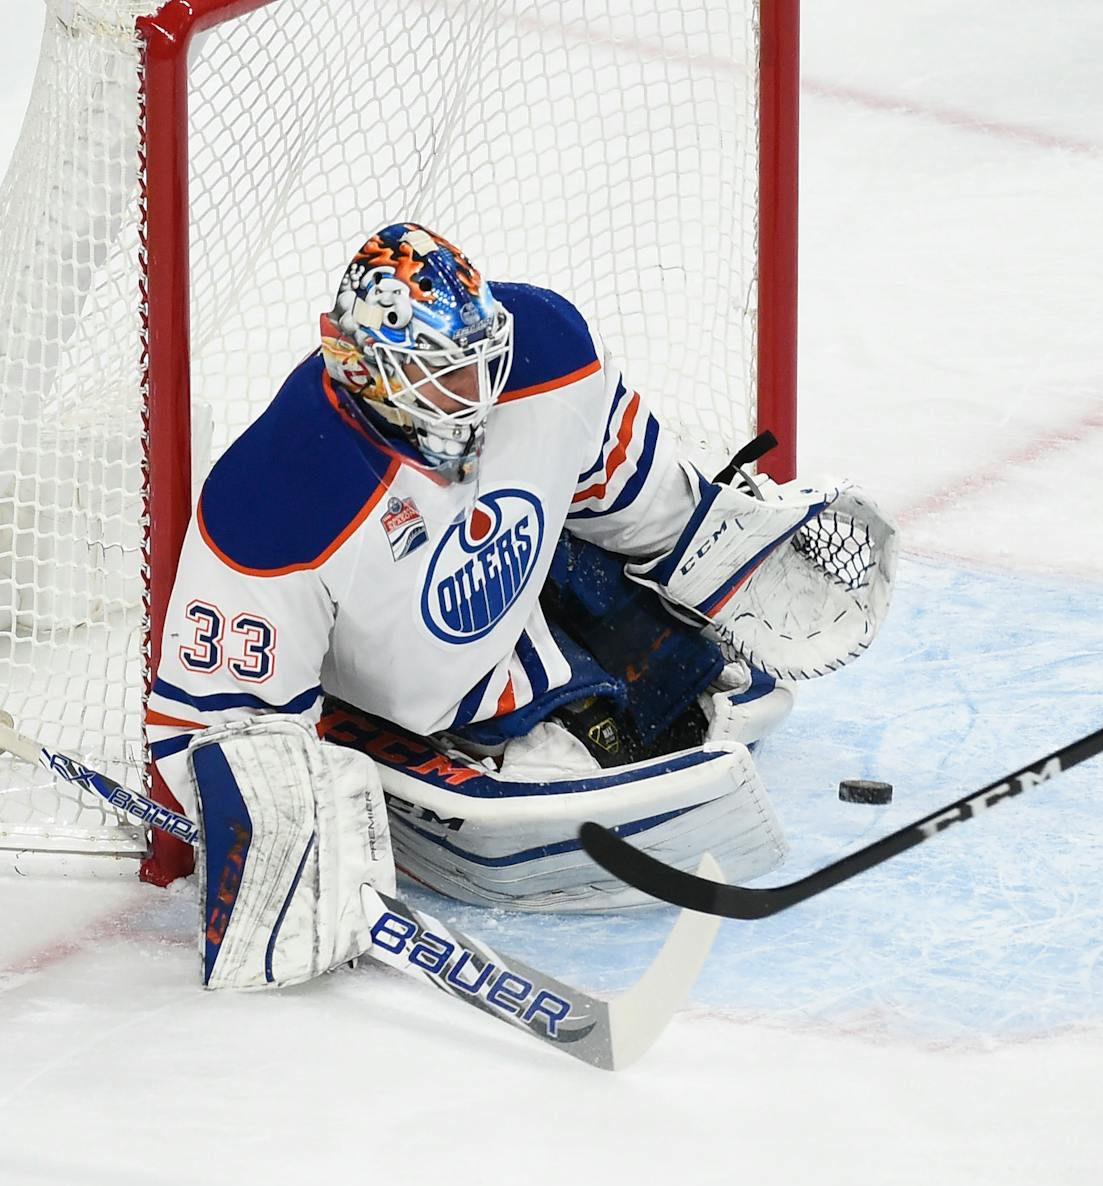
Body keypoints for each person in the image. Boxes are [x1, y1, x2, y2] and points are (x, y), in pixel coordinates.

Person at [147, 224, 895, 988]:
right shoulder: (277, 493)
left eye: (483, 364)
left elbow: (621, 486)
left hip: (521, 594)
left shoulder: (548, 346)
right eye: (444, 378)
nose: (476, 398)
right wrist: (267, 824)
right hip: (415, 696)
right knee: (606, 742)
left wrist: (715, 544)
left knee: (684, 677)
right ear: (363, 367)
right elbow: (208, 721)